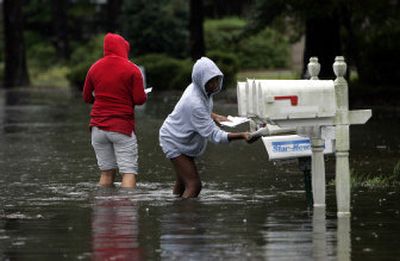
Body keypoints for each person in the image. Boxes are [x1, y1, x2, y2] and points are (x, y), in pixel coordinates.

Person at [159, 57, 256, 198]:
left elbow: (200, 111)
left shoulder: (198, 89)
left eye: (217, 79)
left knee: (183, 182)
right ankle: (186, 217)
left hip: (181, 137)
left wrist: (214, 116)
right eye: (211, 81)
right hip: (173, 140)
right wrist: (242, 135)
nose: (215, 84)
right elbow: (214, 135)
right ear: (201, 80)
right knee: (194, 185)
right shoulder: (194, 101)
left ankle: (176, 211)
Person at [83, 33, 147, 188]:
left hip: (97, 128)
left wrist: (101, 99)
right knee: (128, 172)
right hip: (121, 128)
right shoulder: (132, 69)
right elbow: (139, 100)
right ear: (123, 48)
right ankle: (126, 209)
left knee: (106, 172)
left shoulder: (94, 67)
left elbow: (86, 97)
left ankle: (103, 210)